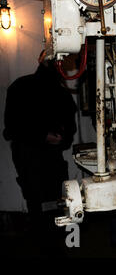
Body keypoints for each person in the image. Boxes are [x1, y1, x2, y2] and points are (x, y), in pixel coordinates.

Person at [3, 50, 77, 255]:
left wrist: (58, 138)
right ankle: (57, 245)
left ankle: (52, 245)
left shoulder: (21, 87)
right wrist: (47, 136)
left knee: (50, 205)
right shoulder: (23, 88)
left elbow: (10, 129)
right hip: (33, 157)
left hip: (39, 158)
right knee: (47, 205)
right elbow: (11, 128)